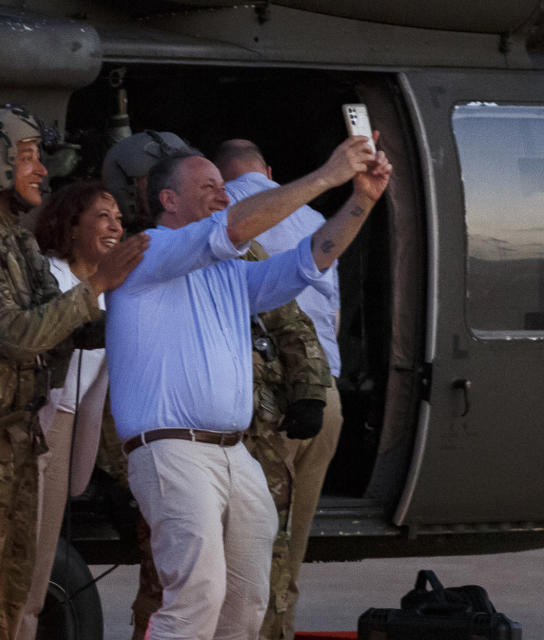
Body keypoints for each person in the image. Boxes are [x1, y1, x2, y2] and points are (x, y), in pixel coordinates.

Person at [107, 137, 391, 639]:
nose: (222, 195)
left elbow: (310, 261)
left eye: (223, 186)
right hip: (173, 449)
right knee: (196, 596)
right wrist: (327, 176)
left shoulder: (227, 272)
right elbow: (231, 227)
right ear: (167, 200)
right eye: (208, 187)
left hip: (234, 454)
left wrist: (361, 200)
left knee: (247, 601)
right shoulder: (149, 251)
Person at [0, 106, 147, 640]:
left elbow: (67, 327)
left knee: (11, 589)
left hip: (18, 438)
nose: (41, 171)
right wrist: (97, 287)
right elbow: (22, 334)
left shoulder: (15, 240)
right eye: (26, 159)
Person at [215, 138, 346, 640]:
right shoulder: (315, 221)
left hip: (268, 401)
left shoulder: (226, 221)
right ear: (268, 169)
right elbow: (328, 317)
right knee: (291, 542)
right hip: (324, 395)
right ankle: (280, 631)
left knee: (251, 542)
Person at [12, 180, 124, 639]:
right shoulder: (49, 276)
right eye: (103, 216)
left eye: (119, 217)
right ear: (71, 225)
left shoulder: (114, 290)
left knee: (39, 567)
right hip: (39, 424)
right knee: (26, 565)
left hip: (68, 425)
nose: (116, 225)